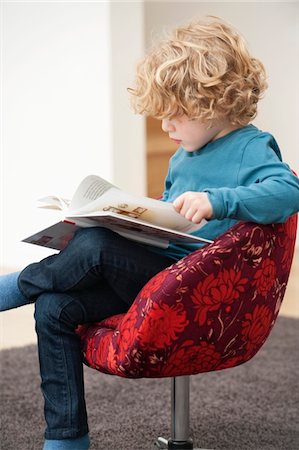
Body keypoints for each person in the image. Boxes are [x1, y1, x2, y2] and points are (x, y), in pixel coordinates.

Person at [1, 16, 299, 450]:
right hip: (154, 276)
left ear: (211, 103)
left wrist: (220, 201)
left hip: (189, 286)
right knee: (53, 307)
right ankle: (67, 438)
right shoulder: (184, 155)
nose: (166, 127)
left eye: (175, 114)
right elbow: (170, 223)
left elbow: (288, 191)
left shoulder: (251, 147)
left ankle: (18, 286)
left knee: (95, 245)